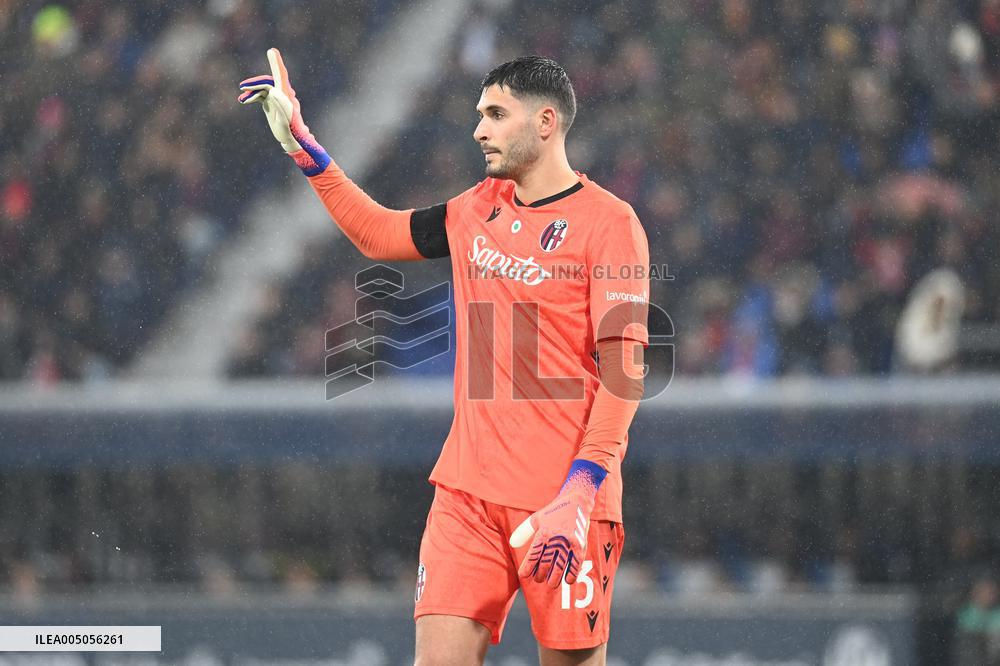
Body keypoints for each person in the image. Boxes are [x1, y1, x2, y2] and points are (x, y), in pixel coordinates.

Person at [239, 49, 650, 666]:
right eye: (479, 114)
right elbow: (378, 233)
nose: (478, 129)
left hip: (564, 502)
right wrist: (305, 148)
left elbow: (624, 374)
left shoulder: (611, 223)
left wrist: (582, 490)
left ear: (545, 123)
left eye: (495, 113)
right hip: (466, 496)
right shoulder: (477, 207)